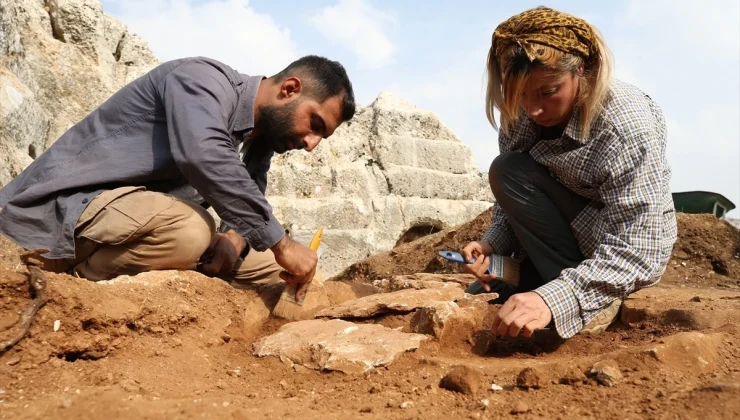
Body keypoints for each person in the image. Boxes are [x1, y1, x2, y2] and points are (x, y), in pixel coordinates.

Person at [0, 55, 355, 301]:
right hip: (58, 213)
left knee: (271, 271)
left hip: (122, 225)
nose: (311, 144)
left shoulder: (260, 140)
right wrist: (283, 244)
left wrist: (233, 238)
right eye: (315, 125)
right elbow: (204, 156)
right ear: (290, 89)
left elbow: (249, 194)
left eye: (322, 137)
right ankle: (74, 292)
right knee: (191, 230)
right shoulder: (202, 79)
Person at [461, 6, 677, 339]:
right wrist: (492, 244)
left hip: (611, 243)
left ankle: (588, 297)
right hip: (566, 241)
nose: (532, 110)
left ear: (583, 70)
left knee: (546, 299)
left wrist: (557, 299)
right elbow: (515, 193)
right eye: (519, 95)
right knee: (508, 169)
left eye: (548, 92)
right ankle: (542, 281)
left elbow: (641, 248)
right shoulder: (520, 116)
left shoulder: (625, 126)